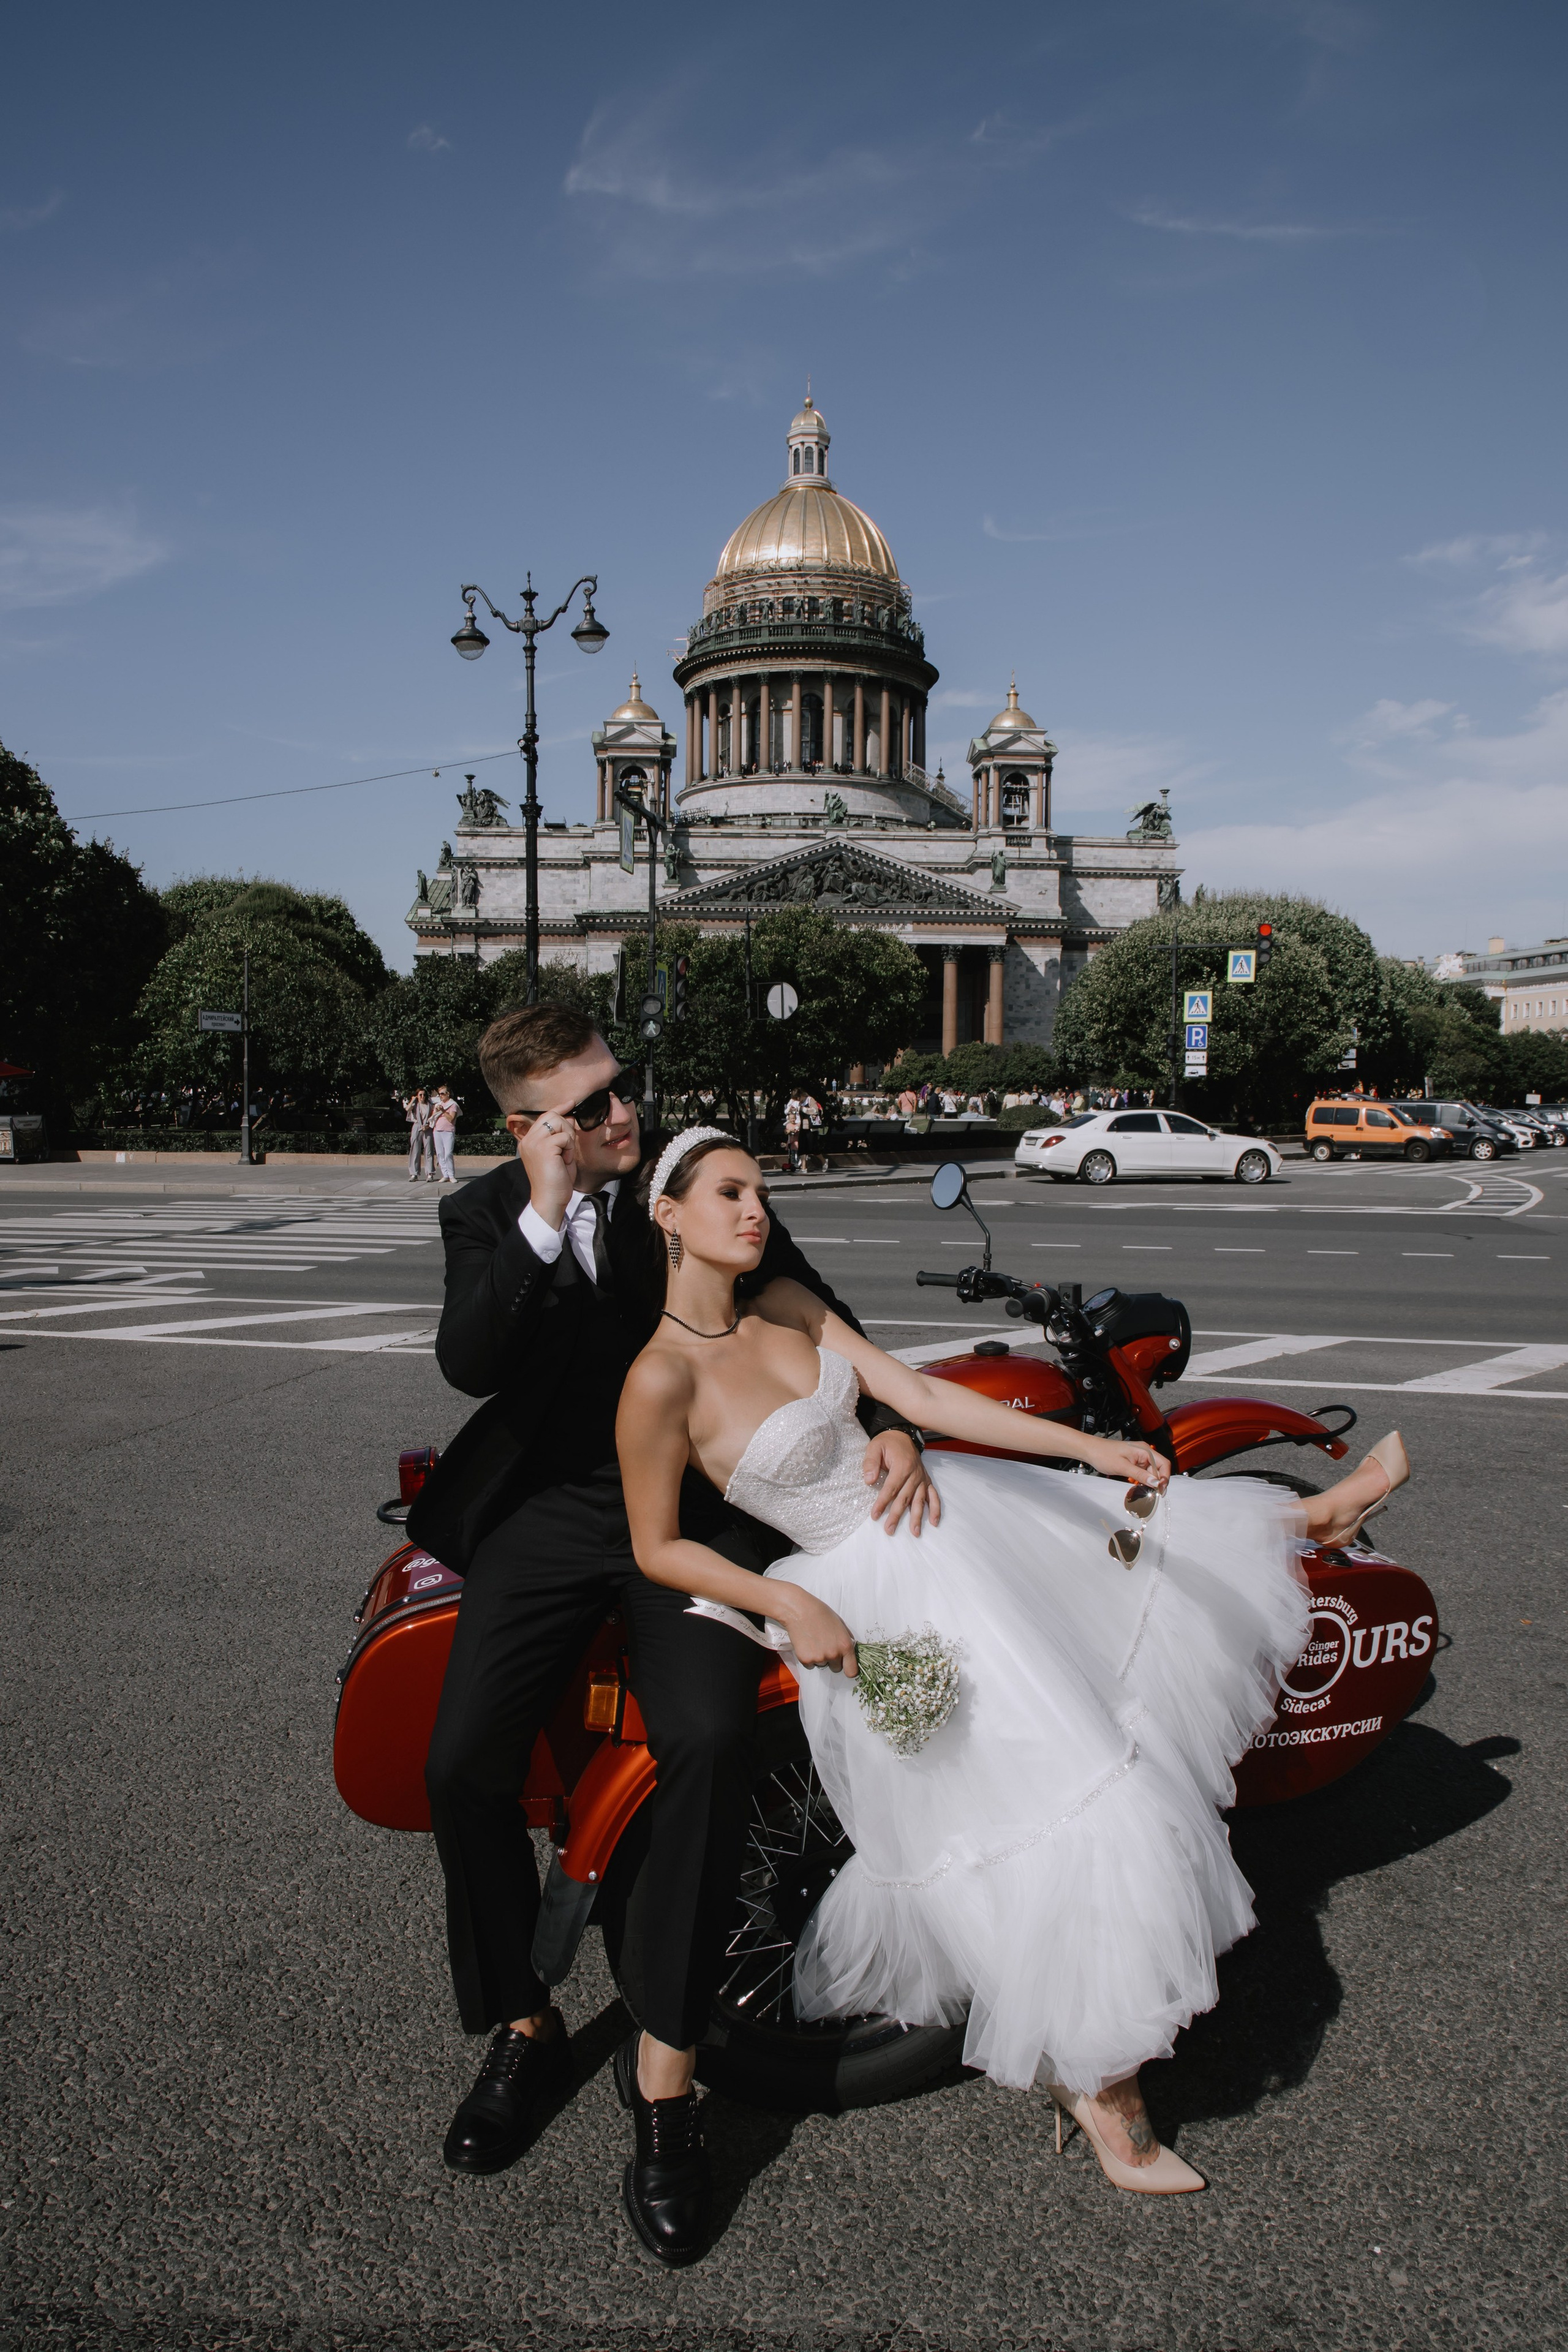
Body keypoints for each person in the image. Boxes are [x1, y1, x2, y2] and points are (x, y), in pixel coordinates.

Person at [617, 1131, 1412, 2199]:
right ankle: (1103, 2092)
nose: (756, 1210)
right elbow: (657, 1545)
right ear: (668, 1215)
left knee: (1109, 1666)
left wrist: (1089, 1450)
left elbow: (924, 1398)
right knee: (1035, 1808)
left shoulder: (792, 1305)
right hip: (872, 1591)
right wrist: (783, 1596)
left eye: (762, 1191)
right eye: (730, 1193)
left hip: (955, 1526)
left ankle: (1306, 1516)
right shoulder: (658, 1379)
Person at [407, 1014, 935, 2263]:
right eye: (582, 1111)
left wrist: (896, 1428)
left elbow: (820, 1321)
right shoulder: (488, 1215)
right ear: (526, 1126)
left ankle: (664, 2077)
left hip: (696, 1518)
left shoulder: (693, 1188)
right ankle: (527, 2023)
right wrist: (545, 1209)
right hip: (552, 1514)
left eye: (618, 1092)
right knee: (459, 1761)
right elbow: (468, 1362)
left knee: (706, 1740)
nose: (616, 1119)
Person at [430, 1085, 460, 1184]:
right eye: (439, 1094)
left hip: (448, 1131)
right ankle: (445, 1175)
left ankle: (451, 1175)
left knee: (448, 1154)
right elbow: (433, 1117)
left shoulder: (453, 1105)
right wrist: (436, 1110)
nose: (440, 1096)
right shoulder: (438, 1104)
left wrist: (443, 1111)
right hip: (437, 1130)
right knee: (440, 1154)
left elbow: (451, 1119)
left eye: (442, 1094)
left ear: (448, 1094)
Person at [404, 1088, 434, 1183]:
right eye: (420, 1095)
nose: (423, 1097)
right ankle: (414, 1173)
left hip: (427, 1127)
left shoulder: (430, 1105)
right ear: (417, 1095)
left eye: (424, 1095)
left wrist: (428, 1126)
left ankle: (430, 1173)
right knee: (415, 1150)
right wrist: (413, 1099)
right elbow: (407, 1109)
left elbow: (433, 1117)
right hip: (417, 1126)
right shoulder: (415, 1105)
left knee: (429, 1150)